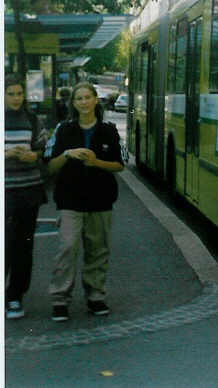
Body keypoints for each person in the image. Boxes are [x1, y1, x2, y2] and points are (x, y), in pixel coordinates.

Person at [45, 82, 124, 322]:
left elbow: (119, 165)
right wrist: (67, 154)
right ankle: (60, 299)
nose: (84, 102)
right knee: (67, 248)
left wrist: (96, 162)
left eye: (88, 97)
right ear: (74, 103)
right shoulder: (63, 130)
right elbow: (50, 166)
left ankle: (95, 296)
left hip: (100, 199)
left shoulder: (109, 130)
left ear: (95, 100)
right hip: (70, 199)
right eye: (79, 98)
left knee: (98, 250)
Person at [5, 76, 48, 319]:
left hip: (29, 190)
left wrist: (35, 156)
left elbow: (43, 148)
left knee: (23, 246)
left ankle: (15, 296)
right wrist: (7, 154)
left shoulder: (33, 120)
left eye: (19, 93)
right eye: (10, 93)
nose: (16, 98)